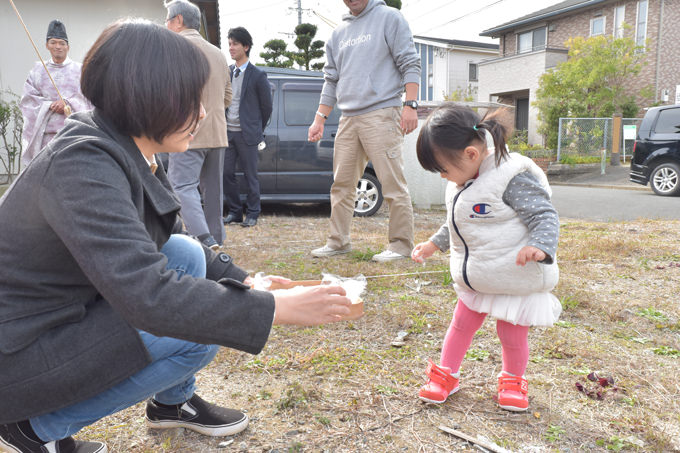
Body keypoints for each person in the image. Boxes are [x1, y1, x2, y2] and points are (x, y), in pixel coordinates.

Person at [0, 19, 351, 453]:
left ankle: (172, 405)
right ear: (147, 96)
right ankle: (36, 426)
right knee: (196, 334)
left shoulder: (122, 148)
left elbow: (174, 236)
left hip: (60, 319)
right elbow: (147, 295)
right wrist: (272, 308)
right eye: (191, 100)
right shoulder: (82, 164)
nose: (202, 114)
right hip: (19, 352)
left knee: (184, 253)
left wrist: (246, 281)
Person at [411, 104, 562, 412]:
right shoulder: (465, 179)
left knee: (511, 332)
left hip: (512, 275)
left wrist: (540, 246)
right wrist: (434, 244)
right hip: (479, 276)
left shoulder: (511, 178)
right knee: (461, 323)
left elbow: (545, 215)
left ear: (470, 154)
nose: (443, 176)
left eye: (443, 169)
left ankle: (512, 380)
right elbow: (458, 221)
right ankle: (446, 375)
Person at [308, 0, 420, 263]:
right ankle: (338, 242)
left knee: (393, 183)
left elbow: (410, 62)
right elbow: (331, 80)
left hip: (382, 112)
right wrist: (319, 119)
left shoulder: (389, 18)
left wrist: (410, 104)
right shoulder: (337, 34)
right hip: (348, 117)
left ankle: (401, 245)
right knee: (342, 185)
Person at [165, 0, 231, 250]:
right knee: (213, 191)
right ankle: (217, 239)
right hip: (217, 132)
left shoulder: (173, 47)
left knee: (182, 185)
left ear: (178, 20)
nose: (165, 25)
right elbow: (227, 97)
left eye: (167, 19)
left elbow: (165, 91)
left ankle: (204, 240)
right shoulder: (217, 52)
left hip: (186, 131)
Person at [19, 19, 90, 167]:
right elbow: (28, 101)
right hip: (43, 138)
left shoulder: (80, 70)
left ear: (68, 47)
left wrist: (68, 102)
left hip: (72, 136)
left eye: (61, 43)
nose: (58, 47)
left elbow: (89, 97)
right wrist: (49, 105)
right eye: (53, 42)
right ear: (47, 45)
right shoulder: (37, 71)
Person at [222, 26, 273, 228]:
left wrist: (256, 129)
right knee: (226, 174)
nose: (231, 48)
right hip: (227, 133)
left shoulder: (258, 75)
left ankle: (253, 213)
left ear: (246, 46)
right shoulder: (227, 72)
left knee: (251, 176)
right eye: (229, 44)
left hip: (247, 135)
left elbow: (267, 107)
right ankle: (235, 211)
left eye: (235, 44)